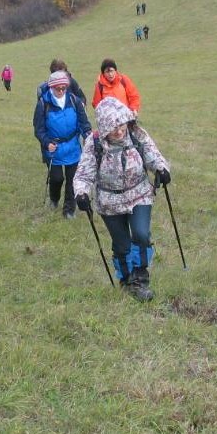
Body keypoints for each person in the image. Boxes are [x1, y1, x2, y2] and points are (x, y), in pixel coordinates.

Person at [74, 98, 170, 301]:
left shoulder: (136, 133)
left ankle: (140, 279)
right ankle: (126, 280)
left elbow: (152, 154)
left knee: (141, 234)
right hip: (110, 201)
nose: (118, 131)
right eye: (112, 127)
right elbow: (84, 173)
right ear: (103, 127)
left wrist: (161, 169)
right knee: (121, 245)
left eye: (121, 125)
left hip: (139, 194)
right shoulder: (94, 143)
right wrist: (81, 193)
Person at [34, 70, 91, 219]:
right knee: (57, 178)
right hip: (54, 149)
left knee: (72, 180)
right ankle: (54, 198)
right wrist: (46, 143)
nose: (60, 91)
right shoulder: (43, 104)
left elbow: (84, 123)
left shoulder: (74, 100)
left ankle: (69, 210)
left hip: (73, 147)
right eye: (57, 88)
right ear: (51, 87)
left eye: (63, 88)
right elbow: (39, 130)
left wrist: (88, 135)